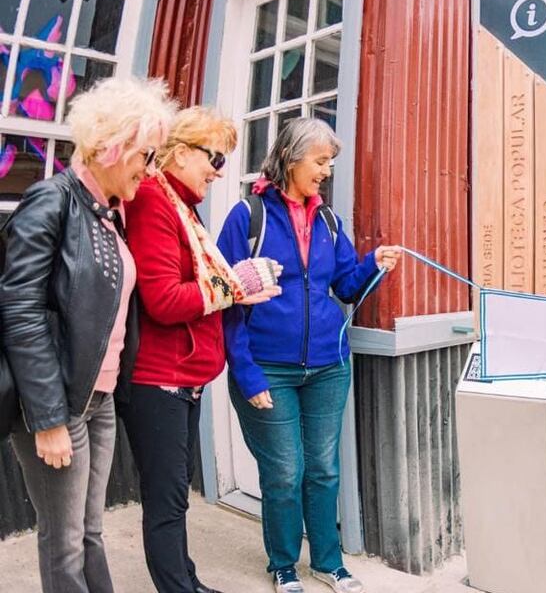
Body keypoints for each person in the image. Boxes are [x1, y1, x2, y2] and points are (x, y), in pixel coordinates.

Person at [0, 76, 176, 593]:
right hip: (61, 402)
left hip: (99, 400)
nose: (149, 167)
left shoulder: (108, 214)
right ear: (113, 146)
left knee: (91, 532)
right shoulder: (51, 201)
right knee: (66, 541)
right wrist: (48, 418)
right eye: (146, 153)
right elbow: (21, 310)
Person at [217, 118, 401, 593]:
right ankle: (282, 564)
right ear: (290, 158)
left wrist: (372, 264)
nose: (326, 171)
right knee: (283, 472)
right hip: (267, 368)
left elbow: (342, 286)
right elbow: (227, 300)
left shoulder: (328, 220)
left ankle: (328, 563)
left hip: (328, 366)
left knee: (323, 469)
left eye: (330, 163)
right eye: (320, 161)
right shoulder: (247, 216)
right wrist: (246, 374)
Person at [120, 107, 280, 593]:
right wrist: (235, 286)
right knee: (166, 503)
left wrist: (236, 286)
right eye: (215, 158)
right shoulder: (153, 200)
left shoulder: (180, 205)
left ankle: (187, 581)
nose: (219, 170)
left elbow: (200, 287)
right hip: (158, 379)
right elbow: (164, 300)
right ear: (182, 151)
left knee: (175, 499)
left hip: (181, 380)